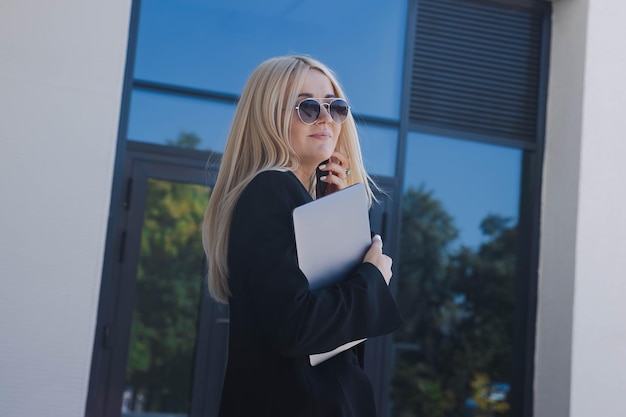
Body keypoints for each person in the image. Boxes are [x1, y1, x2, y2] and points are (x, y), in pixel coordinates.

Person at [202, 55, 403, 417]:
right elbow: (295, 327)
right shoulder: (270, 189)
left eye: (335, 107)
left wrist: (331, 219)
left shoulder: (291, 199)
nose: (326, 118)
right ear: (268, 116)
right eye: (308, 107)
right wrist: (371, 278)